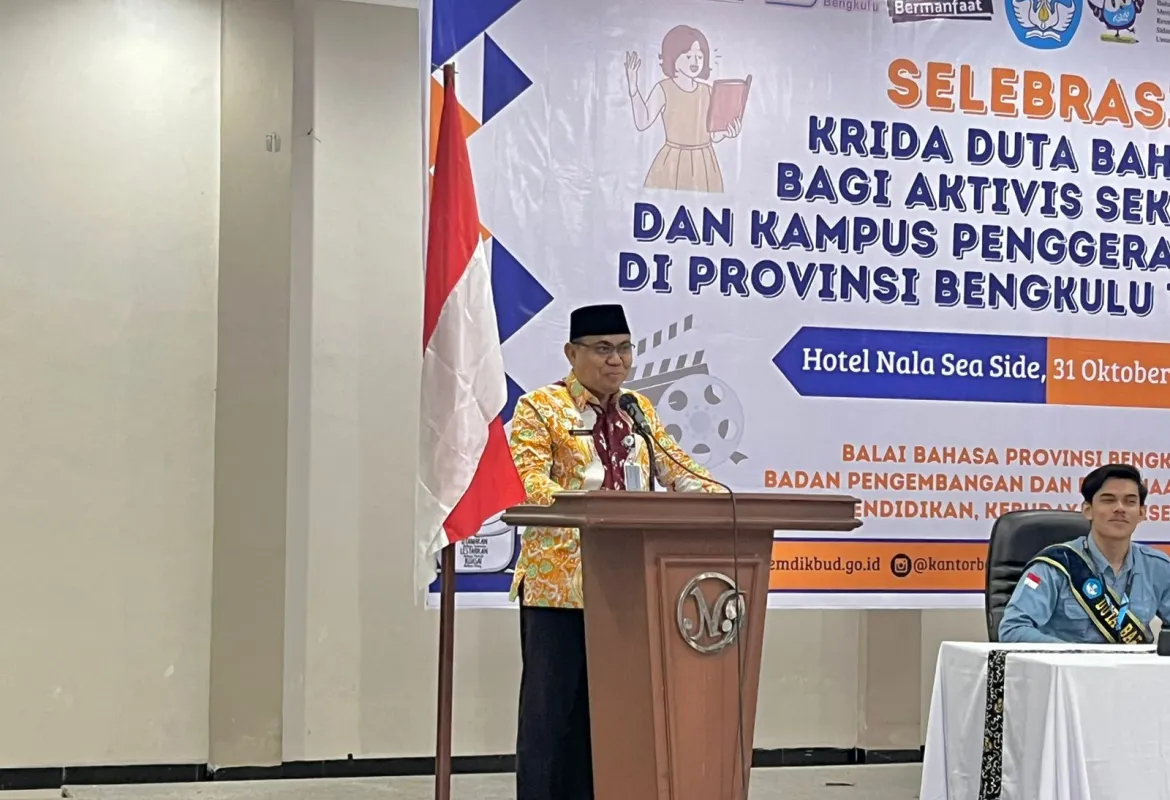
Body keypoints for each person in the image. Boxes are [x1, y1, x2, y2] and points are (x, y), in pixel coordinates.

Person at [507, 303, 723, 800]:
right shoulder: (540, 408)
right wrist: (597, 507)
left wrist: (719, 498)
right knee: (551, 715)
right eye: (603, 349)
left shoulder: (636, 410)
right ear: (572, 353)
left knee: (613, 713)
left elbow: (676, 466)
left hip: (628, 584)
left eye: (624, 349)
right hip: (560, 587)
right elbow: (528, 484)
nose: (616, 360)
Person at [999, 463, 1170, 645]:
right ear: (1088, 510)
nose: (1120, 508)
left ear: (1142, 513)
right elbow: (1012, 630)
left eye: (1130, 502)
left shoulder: (1158, 567)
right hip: (1067, 663)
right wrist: (1074, 655)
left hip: (1134, 664)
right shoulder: (1056, 565)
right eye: (1108, 500)